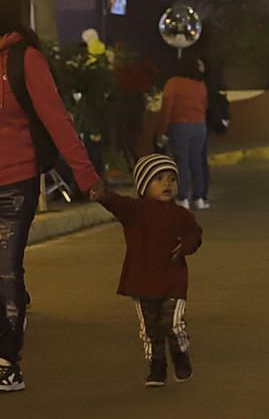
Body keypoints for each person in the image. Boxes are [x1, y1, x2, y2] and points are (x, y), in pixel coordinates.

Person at [0, 0, 105, 394]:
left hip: (13, 180)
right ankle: (7, 323)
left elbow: (57, 121)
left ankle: (8, 360)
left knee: (4, 269)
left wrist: (87, 177)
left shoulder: (24, 58)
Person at [102, 152, 203, 386]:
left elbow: (195, 233)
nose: (167, 184)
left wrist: (187, 245)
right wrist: (102, 194)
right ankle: (156, 366)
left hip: (173, 279)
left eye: (171, 179)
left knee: (173, 323)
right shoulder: (135, 212)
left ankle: (180, 355)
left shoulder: (181, 214)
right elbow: (115, 203)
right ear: (144, 185)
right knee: (150, 328)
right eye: (159, 179)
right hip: (143, 280)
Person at [157, 56, 211, 209]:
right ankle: (199, 198)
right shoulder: (200, 84)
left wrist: (161, 130)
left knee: (182, 162)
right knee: (197, 162)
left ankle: (182, 198)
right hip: (200, 125)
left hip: (180, 125)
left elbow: (167, 109)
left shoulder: (173, 83)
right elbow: (205, 105)